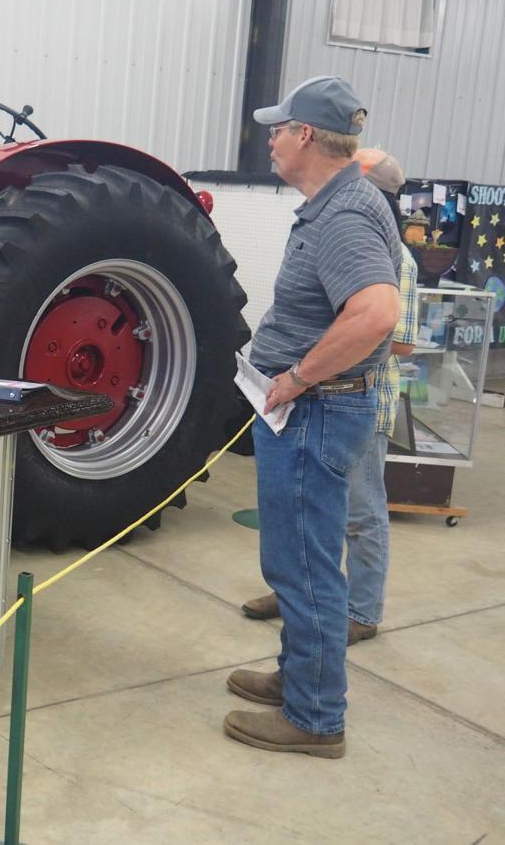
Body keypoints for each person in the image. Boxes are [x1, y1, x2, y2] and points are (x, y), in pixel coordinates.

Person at [223, 77, 401, 759]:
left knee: (305, 567)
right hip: (313, 412)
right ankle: (301, 678)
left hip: (315, 413)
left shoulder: (345, 215)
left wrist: (296, 377)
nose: (269, 138)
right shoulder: (338, 202)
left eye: (278, 128)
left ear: (306, 137)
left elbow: (377, 312)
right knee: (299, 559)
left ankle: (316, 717)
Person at [240, 149, 420, 645]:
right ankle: (301, 597)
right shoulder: (337, 228)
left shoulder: (384, 252)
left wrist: (310, 369)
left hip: (353, 399)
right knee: (315, 522)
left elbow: (394, 334)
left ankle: (360, 610)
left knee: (361, 513)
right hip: (322, 395)